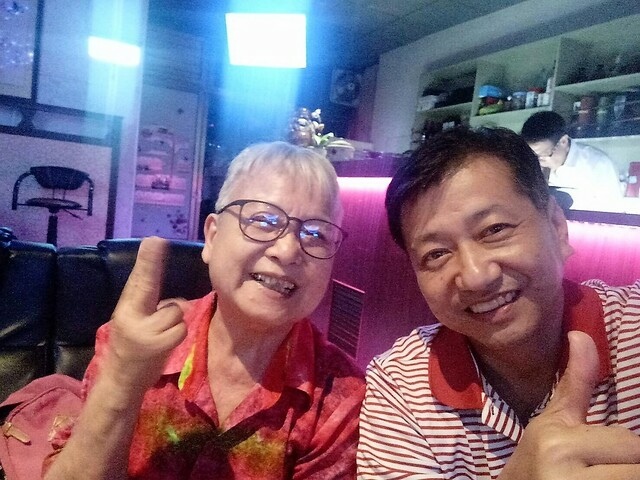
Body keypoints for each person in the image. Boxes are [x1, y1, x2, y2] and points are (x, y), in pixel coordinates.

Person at [43, 141, 365, 479]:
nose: (287, 251)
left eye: (316, 234)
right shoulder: (135, 343)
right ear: (212, 236)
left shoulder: (340, 400)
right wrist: (121, 382)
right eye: (264, 220)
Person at [357, 126, 640, 478]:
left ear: (557, 226)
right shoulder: (401, 385)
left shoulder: (632, 331)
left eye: (495, 230)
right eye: (437, 253)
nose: (476, 276)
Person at [520, 110, 622, 211]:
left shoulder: (598, 165)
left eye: (544, 155)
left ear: (563, 141)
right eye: (533, 156)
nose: (539, 162)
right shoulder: (532, 163)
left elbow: (612, 211)